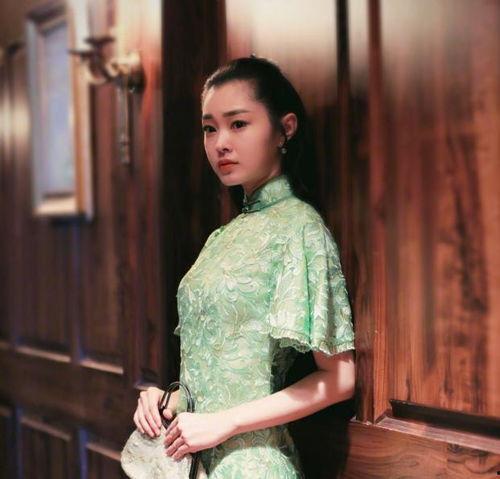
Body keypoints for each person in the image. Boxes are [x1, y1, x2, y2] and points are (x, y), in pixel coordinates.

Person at [132, 56, 356, 478]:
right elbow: (220, 375)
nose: (220, 143)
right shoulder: (222, 237)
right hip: (192, 461)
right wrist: (166, 400)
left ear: (285, 129)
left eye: (238, 124)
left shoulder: (300, 226)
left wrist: (226, 422)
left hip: (252, 463)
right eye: (209, 128)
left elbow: (340, 379)